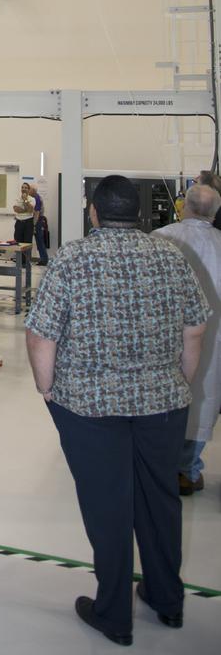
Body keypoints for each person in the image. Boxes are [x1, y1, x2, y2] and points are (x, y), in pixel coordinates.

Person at [26, 174, 209, 646]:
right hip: (162, 403)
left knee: (108, 506)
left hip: (89, 406)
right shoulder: (171, 256)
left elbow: (42, 334)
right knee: (160, 500)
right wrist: (178, 382)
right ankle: (167, 599)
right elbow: (194, 330)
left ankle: (113, 613)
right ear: (141, 214)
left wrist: (46, 388)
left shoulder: (72, 259)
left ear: (93, 211)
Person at [154, 182, 221, 496]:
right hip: (212, 339)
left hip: (163, 337)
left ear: (185, 207)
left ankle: (157, 466)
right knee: (204, 399)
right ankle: (187, 470)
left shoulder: (161, 239)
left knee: (162, 398)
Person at [29, 182, 49, 265]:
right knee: (39, 241)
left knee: (39, 241)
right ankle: (43, 259)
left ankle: (44, 259)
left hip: (37, 221)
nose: (28, 191)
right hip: (37, 220)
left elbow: (37, 213)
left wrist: (34, 225)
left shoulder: (36, 198)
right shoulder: (34, 197)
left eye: (29, 189)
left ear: (33, 190)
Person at [12, 182, 35, 247]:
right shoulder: (17, 198)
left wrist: (25, 200)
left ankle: (27, 257)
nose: (23, 189)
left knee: (27, 245)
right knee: (18, 243)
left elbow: (30, 210)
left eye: (25, 188)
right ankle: (19, 257)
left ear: (29, 189)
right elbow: (16, 209)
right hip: (19, 223)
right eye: (22, 187)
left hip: (28, 223)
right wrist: (26, 210)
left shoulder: (32, 199)